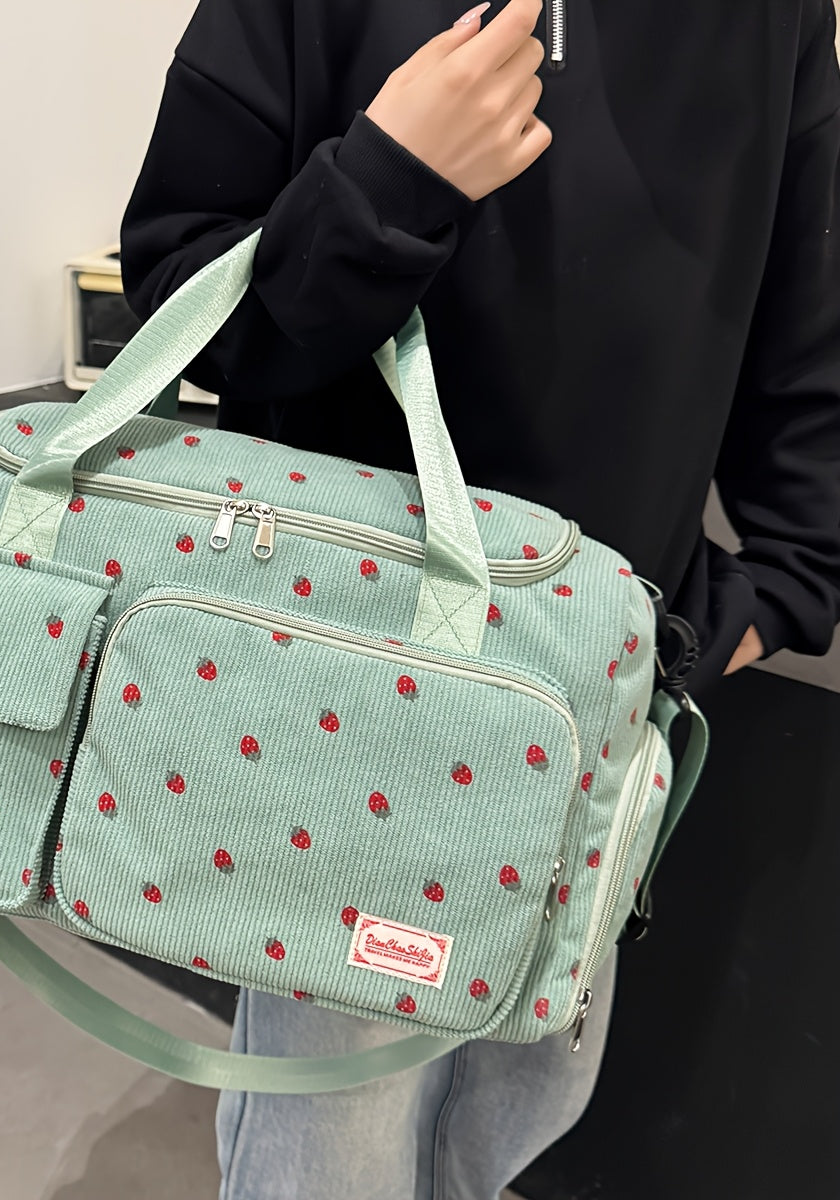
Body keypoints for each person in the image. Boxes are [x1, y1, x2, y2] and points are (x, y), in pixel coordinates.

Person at [117, 1, 840, 1196]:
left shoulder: (770, 20)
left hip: (596, 715)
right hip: (345, 700)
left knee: (517, 1112)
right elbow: (178, 302)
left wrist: (741, 608)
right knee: (331, 1145)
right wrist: (387, 186)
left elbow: (804, 350)